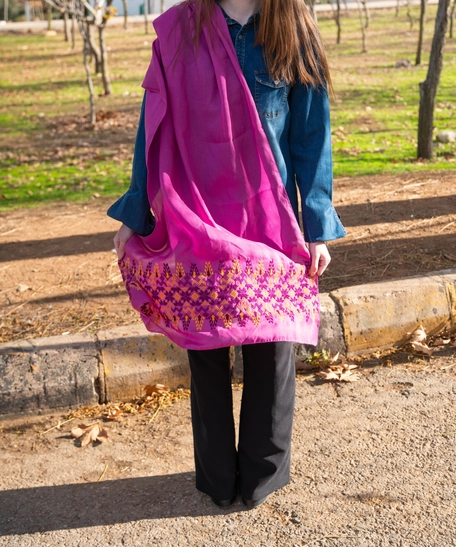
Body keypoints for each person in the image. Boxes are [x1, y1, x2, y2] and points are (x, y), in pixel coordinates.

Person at [108, 0, 345, 510]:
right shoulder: (181, 29)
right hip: (197, 223)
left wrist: (317, 227)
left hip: (271, 224)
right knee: (207, 354)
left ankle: (263, 476)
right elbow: (151, 129)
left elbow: (311, 135)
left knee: (273, 351)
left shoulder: (292, 26)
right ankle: (217, 479)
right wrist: (135, 215)